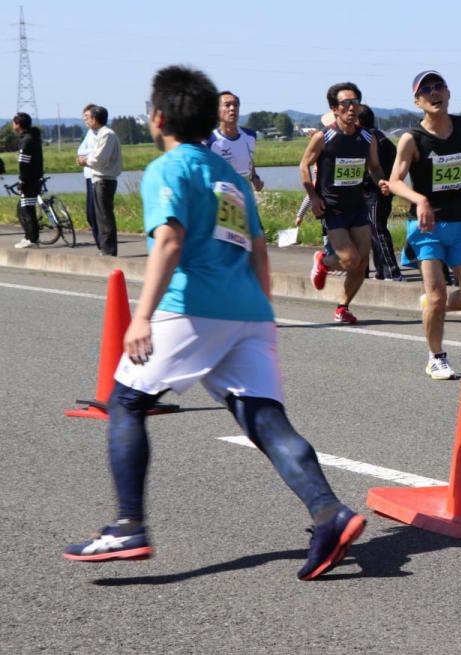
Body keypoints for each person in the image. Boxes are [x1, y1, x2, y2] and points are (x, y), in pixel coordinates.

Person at [62, 65, 365, 580]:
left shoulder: (169, 167)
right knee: (265, 420)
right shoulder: (230, 179)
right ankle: (329, 512)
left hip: (193, 305)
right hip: (247, 310)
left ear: (158, 118)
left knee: (127, 401)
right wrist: (261, 314)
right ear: (208, 119)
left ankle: (128, 525)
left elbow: (171, 241)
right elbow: (259, 250)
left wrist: (140, 318)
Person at [384, 70, 461, 380]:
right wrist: (420, 200)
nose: (434, 93)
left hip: (460, 223)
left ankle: (432, 306)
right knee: (439, 294)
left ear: (448, 92)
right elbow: (394, 181)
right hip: (427, 228)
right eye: (426, 90)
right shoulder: (411, 139)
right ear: (417, 101)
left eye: (438, 86)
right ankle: (436, 357)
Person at [300, 82, 386, 324]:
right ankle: (323, 261)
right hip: (332, 208)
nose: (351, 108)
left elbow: (375, 167)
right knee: (350, 260)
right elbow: (304, 165)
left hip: (357, 206)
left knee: (362, 261)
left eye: (355, 102)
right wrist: (314, 197)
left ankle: (343, 307)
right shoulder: (324, 136)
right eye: (346, 103)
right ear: (334, 109)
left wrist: (381, 182)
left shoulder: (367, 137)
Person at [357, 104, 402, 280]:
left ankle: (392, 271)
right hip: (380, 191)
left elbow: (376, 168)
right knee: (371, 232)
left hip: (376, 192)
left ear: (360, 121)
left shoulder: (371, 139)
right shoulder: (382, 138)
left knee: (377, 229)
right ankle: (379, 272)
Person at [76, 104, 122, 256]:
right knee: (99, 216)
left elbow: (99, 159)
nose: (86, 121)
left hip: (104, 179)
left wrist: (85, 161)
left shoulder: (106, 134)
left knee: (104, 216)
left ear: (95, 118)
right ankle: (105, 248)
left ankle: (108, 250)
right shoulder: (97, 133)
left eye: (88, 118)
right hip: (99, 178)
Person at [205, 91, 264, 191]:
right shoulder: (209, 140)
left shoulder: (250, 136)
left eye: (235, 105)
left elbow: (249, 158)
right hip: (220, 195)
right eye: (227, 105)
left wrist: (254, 177)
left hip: (245, 192)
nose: (232, 108)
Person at [11, 112, 42, 249]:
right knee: (27, 209)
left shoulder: (26, 140)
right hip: (34, 178)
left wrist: (22, 181)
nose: (13, 126)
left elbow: (23, 164)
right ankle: (29, 237)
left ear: (18, 124)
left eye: (14, 123)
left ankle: (32, 239)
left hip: (29, 180)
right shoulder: (33, 137)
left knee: (28, 211)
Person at [77, 119, 100, 249]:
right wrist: (87, 154)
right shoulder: (89, 133)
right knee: (90, 214)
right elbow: (80, 150)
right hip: (88, 175)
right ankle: (100, 243)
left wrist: (86, 157)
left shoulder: (102, 134)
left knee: (96, 213)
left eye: (88, 117)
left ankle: (103, 244)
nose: (85, 120)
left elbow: (97, 153)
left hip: (97, 176)